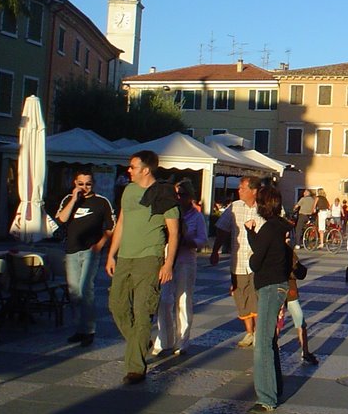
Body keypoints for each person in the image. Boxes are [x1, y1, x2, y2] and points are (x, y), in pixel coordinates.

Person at [106, 151, 179, 384]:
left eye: (133, 167)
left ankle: (135, 368)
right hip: (125, 256)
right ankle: (140, 342)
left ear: (146, 169)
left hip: (149, 257)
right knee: (116, 304)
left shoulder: (164, 194)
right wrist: (111, 254)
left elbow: (174, 233)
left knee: (142, 310)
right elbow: (121, 223)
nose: (129, 170)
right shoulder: (128, 191)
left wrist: (168, 263)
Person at [245, 184, 293, 413]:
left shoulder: (269, 229)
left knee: (262, 342)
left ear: (264, 205)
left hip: (269, 286)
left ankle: (266, 397)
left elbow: (256, 261)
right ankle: (275, 388)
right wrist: (251, 233)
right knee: (269, 341)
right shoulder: (280, 227)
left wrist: (253, 247)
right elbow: (267, 248)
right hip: (279, 286)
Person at [55, 169, 115, 347]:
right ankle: (79, 329)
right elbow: (61, 219)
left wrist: (101, 244)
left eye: (88, 184)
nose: (84, 187)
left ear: (93, 184)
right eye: (81, 184)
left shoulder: (102, 202)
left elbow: (112, 226)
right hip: (71, 249)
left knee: (86, 289)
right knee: (74, 292)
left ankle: (89, 330)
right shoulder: (68, 199)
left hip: (91, 251)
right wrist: (74, 199)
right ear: (75, 183)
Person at [152, 180, 207, 356]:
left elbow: (203, 239)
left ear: (190, 196)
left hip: (185, 260)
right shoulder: (169, 212)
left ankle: (182, 340)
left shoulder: (196, 216)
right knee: (164, 300)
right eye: (176, 194)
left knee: (183, 300)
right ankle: (164, 339)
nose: (178, 198)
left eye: (182, 194)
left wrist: (191, 242)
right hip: (167, 260)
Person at [210, 176, 262, 348]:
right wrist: (215, 250)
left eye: (242, 188)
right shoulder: (234, 207)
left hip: (257, 261)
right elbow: (222, 229)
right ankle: (249, 333)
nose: (238, 191)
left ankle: (258, 333)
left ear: (254, 191)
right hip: (238, 261)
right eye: (239, 188)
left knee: (256, 297)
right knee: (241, 298)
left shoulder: (263, 208)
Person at [280, 247, 318, 365]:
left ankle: (305, 352)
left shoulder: (289, 251)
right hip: (279, 290)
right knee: (278, 322)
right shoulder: (278, 248)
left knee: (300, 320)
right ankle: (272, 349)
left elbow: (298, 270)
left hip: (289, 291)